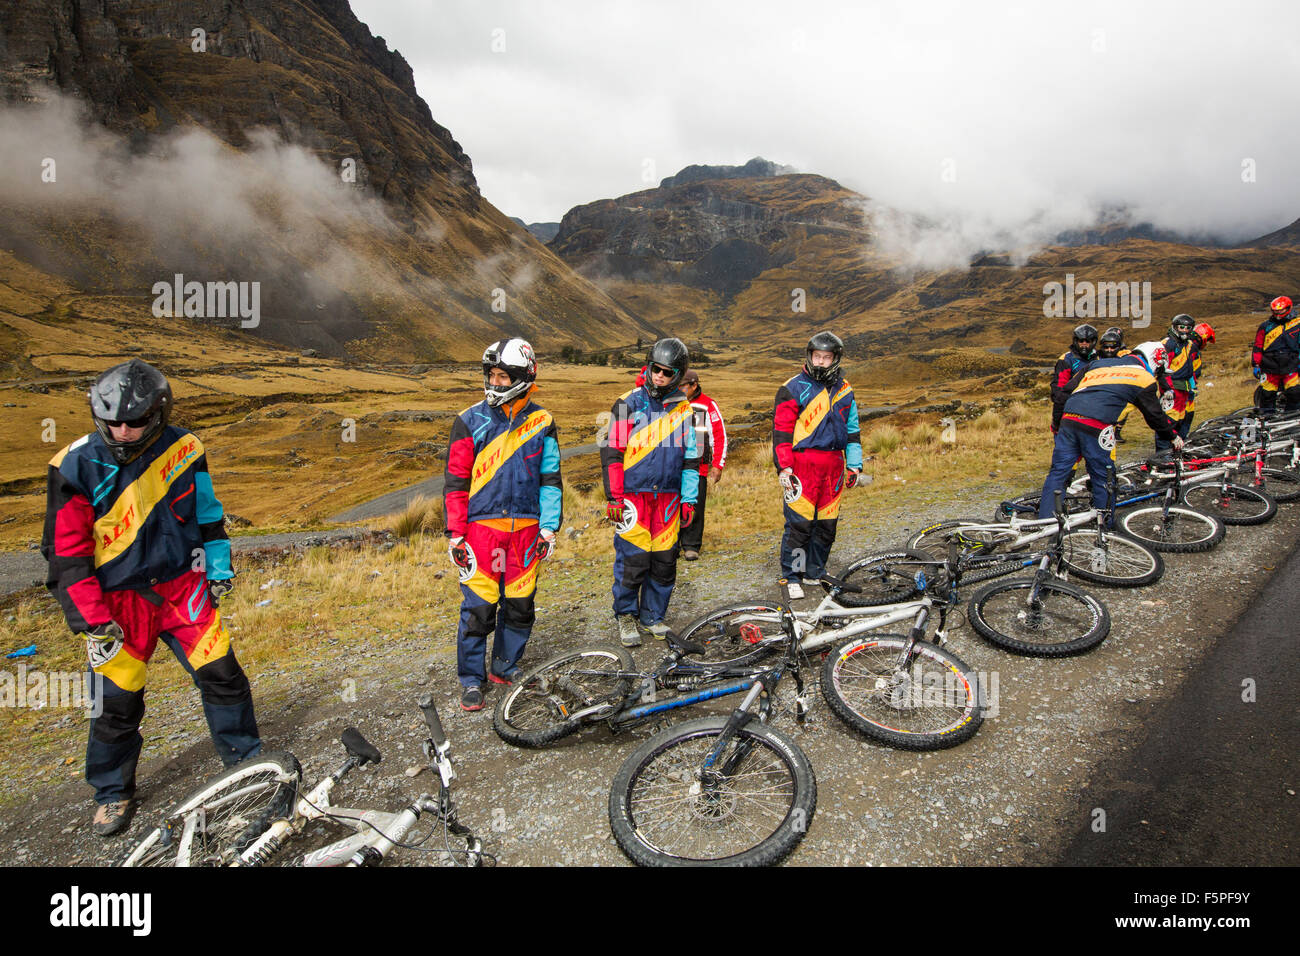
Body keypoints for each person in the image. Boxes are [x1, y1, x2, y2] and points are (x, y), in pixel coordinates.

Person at [41, 359, 260, 836]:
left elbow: (208, 514)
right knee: (116, 702)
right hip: (117, 605)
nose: (123, 430)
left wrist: (218, 568)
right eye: (112, 420)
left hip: (184, 589)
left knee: (223, 674)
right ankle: (113, 791)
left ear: (158, 413)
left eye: (136, 421)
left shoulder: (186, 447)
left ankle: (246, 763)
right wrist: (92, 619)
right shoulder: (72, 465)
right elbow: (67, 555)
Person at [443, 339, 562, 711]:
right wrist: (456, 533)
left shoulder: (543, 422)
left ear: (524, 377)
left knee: (521, 606)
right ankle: (472, 680)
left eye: (502, 376)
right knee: (478, 610)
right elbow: (455, 481)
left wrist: (549, 527)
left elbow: (551, 478)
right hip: (481, 532)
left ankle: (504, 667)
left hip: (526, 532)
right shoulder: (468, 420)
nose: (494, 383)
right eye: (490, 375)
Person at [601, 338, 700, 647]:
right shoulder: (626, 403)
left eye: (667, 372)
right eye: (655, 369)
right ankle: (626, 616)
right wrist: (614, 497)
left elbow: (691, 459)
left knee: (663, 560)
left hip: (668, 499)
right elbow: (612, 454)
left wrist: (689, 498)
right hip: (632, 497)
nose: (659, 376)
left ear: (679, 375)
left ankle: (653, 616)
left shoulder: (685, 410)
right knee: (632, 560)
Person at [1038, 341, 1182, 519]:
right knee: (1103, 476)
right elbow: (1154, 415)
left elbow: (1063, 394)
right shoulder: (1143, 377)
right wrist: (1172, 436)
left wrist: (1057, 425)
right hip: (1097, 425)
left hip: (1069, 419)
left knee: (1058, 473)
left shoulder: (1096, 364)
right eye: (1160, 370)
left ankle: (1045, 522)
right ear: (1155, 362)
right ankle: (1104, 524)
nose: (1158, 375)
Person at [772, 332, 863, 600]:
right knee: (799, 524)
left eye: (827, 357)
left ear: (835, 359)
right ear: (810, 356)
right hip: (801, 465)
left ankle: (815, 570)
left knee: (827, 524)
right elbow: (781, 432)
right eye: (817, 357)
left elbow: (853, 431)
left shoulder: (845, 389)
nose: (821, 362)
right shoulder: (792, 388)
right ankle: (793, 575)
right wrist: (784, 467)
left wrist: (854, 465)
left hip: (834, 465)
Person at [678, 370, 727, 561]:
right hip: (674, 466)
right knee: (673, 506)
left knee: (695, 506)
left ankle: (691, 545)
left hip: (699, 466)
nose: (679, 389)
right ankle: (671, 545)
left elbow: (720, 436)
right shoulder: (672, 403)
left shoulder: (708, 405)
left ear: (694, 385)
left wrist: (718, 465)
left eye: (682, 386)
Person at [1158, 314, 1201, 451]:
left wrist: (1193, 385)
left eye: (1188, 328)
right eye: (1181, 327)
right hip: (1172, 388)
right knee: (1168, 421)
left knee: (1181, 420)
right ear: (1175, 327)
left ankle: (1175, 453)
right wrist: (1167, 389)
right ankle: (1162, 455)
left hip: (1185, 388)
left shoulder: (1190, 345)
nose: (1184, 330)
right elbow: (1162, 369)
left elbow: (1193, 367)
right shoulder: (1168, 344)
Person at [1251, 295, 1300, 414]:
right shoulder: (1265, 326)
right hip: (1269, 365)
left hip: (1291, 363)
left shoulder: (1297, 324)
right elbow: (1258, 346)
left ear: (1288, 308)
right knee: (1267, 394)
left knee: (1294, 392)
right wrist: (1256, 364)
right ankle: (1267, 419)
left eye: (1280, 311)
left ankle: (1291, 418)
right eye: (1275, 311)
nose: (1277, 314)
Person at [1050, 324, 1098, 433]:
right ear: (1076, 341)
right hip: (1071, 410)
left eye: (1088, 341)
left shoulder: (1099, 358)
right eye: (1081, 341)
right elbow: (1058, 388)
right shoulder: (1066, 359)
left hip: (1095, 410)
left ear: (1093, 342)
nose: (1084, 344)